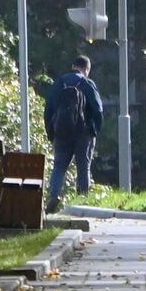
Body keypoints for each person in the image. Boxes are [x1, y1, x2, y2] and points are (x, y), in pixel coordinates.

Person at [44, 55, 104, 212]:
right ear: (87, 69)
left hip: (62, 132)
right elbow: (98, 110)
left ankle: (54, 195)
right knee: (84, 166)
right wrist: (94, 131)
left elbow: (48, 109)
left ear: (73, 66)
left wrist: (51, 132)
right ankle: (83, 199)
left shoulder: (60, 83)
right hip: (83, 133)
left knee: (59, 166)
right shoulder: (87, 83)